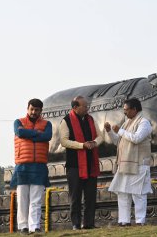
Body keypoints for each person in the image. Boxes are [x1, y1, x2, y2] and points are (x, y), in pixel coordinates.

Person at [105, 98, 153, 226]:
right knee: (122, 192)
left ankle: (140, 221)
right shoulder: (127, 123)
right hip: (125, 163)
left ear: (134, 109)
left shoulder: (144, 122)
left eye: (126, 110)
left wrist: (119, 131)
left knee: (139, 193)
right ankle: (124, 221)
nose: (124, 113)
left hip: (139, 164)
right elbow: (118, 142)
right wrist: (110, 131)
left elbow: (137, 138)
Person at [59, 96, 102, 230]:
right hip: (74, 165)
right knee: (75, 196)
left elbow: (100, 136)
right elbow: (64, 141)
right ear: (75, 108)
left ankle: (89, 223)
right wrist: (82, 145)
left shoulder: (90, 119)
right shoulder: (66, 121)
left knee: (90, 196)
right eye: (84, 106)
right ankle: (76, 224)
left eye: (87, 106)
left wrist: (94, 143)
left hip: (90, 163)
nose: (87, 108)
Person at [10, 98, 52, 235]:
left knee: (36, 199)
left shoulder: (47, 124)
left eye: (37, 110)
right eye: (31, 109)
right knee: (22, 198)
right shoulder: (18, 122)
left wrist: (29, 134)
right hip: (22, 165)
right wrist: (37, 134)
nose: (34, 112)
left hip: (39, 165)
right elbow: (20, 133)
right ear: (27, 109)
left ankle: (34, 226)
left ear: (41, 111)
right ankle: (23, 226)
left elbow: (48, 136)